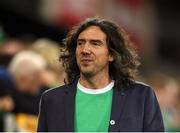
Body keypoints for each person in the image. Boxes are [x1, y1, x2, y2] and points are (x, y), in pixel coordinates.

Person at [37, 17, 164, 132]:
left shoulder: (141, 96)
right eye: (80, 43)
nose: (85, 50)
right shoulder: (51, 99)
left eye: (95, 43)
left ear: (112, 54)